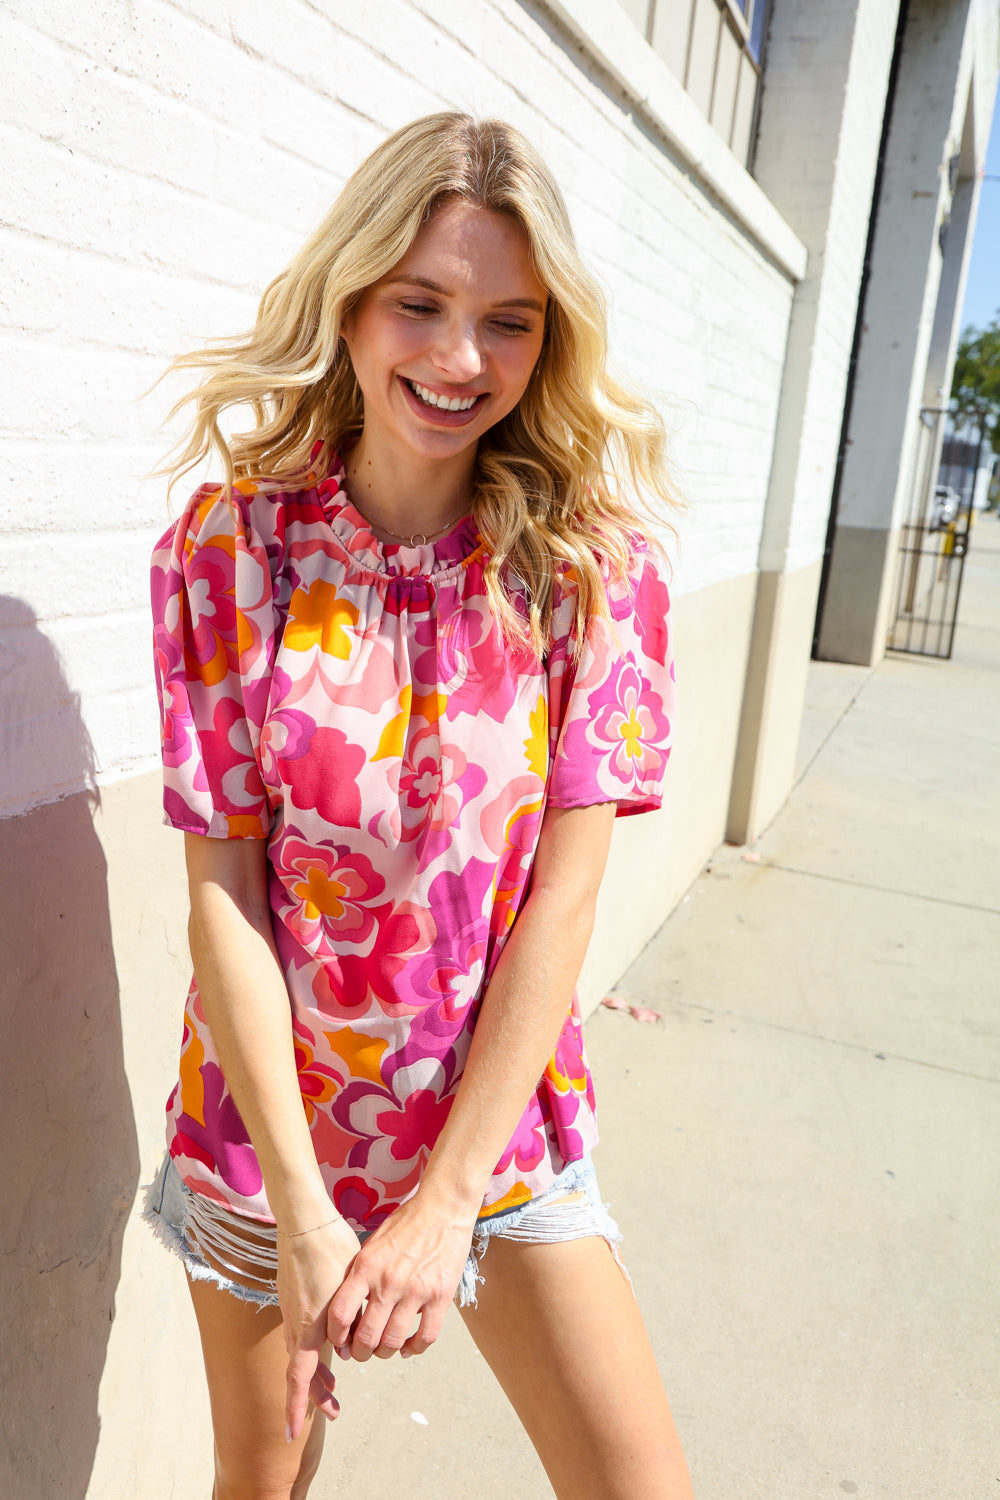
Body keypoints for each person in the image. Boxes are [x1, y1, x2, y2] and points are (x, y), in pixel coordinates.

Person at [145, 111, 693, 1500]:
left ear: (549, 339)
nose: (460, 360)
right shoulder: (230, 550)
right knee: (259, 1489)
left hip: (496, 1144)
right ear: (352, 301)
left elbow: (562, 900)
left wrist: (446, 1205)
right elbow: (228, 897)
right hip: (274, 1142)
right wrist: (312, 1220)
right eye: (422, 305)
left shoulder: (589, 576)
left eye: (509, 322)